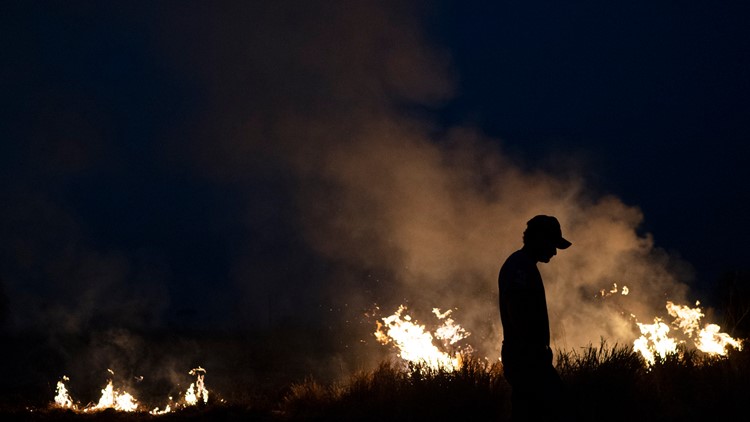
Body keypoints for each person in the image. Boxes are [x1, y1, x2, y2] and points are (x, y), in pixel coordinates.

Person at [498, 215, 571, 421]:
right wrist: (534, 350)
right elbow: (517, 312)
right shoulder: (519, 267)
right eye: (552, 244)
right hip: (527, 360)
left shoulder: (523, 265)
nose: (555, 252)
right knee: (558, 409)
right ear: (539, 239)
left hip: (527, 357)